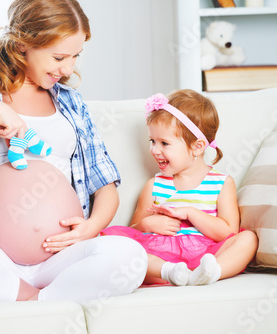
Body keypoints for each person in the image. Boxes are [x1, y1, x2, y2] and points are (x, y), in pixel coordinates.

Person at [0, 0, 147, 303]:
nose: (68, 68)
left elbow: (106, 187)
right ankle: (41, 300)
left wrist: (90, 229)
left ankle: (33, 303)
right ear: (22, 45)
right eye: (59, 56)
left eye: (75, 57)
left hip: (61, 261)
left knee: (130, 255)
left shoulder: (71, 103)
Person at [101, 90, 258, 286]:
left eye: (164, 143)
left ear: (198, 147)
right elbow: (134, 230)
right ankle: (170, 273)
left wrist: (191, 213)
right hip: (160, 257)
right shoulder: (154, 185)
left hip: (205, 255)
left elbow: (228, 232)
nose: (155, 150)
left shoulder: (221, 184)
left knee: (248, 239)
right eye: (152, 141)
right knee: (119, 249)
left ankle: (212, 272)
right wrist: (147, 224)